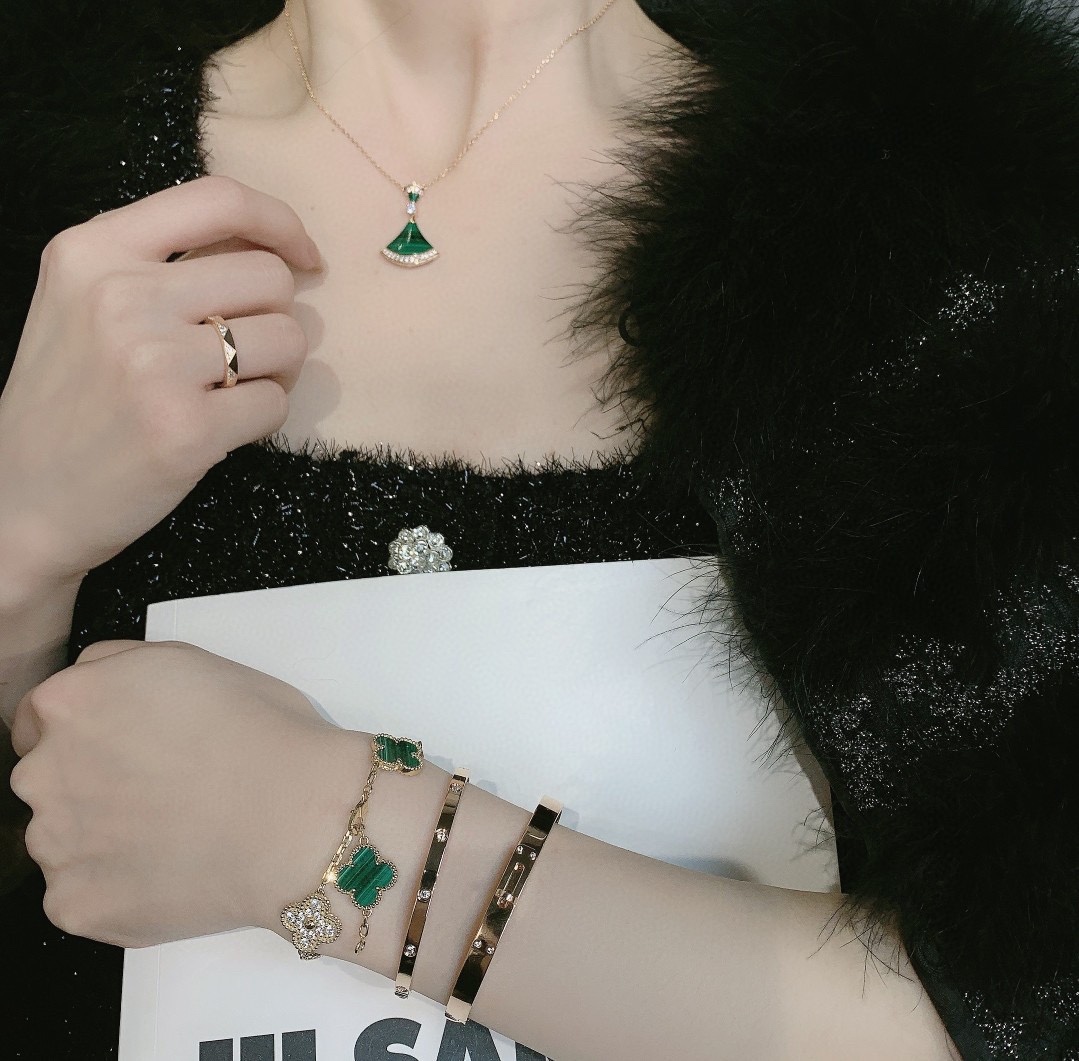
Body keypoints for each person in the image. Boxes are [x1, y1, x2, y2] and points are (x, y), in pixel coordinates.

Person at [1, 0, 1077, 1057]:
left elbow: (1024, 1000)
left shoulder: (935, 196)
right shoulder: (43, 153)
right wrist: (23, 535)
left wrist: (319, 832)